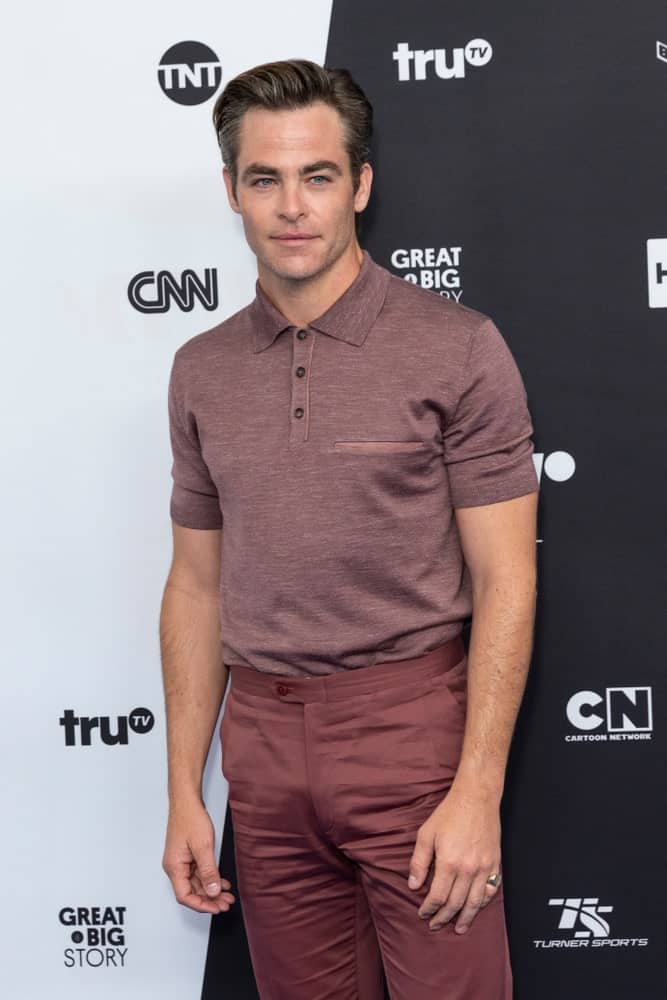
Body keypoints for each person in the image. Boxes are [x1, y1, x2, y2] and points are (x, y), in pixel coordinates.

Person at [160, 57, 539, 999]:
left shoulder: (458, 347)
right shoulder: (199, 370)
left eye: (318, 175)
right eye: (265, 178)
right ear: (232, 192)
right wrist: (183, 793)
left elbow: (506, 582)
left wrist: (477, 791)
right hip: (262, 754)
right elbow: (196, 587)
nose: (293, 206)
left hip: (413, 737)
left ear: (360, 186)